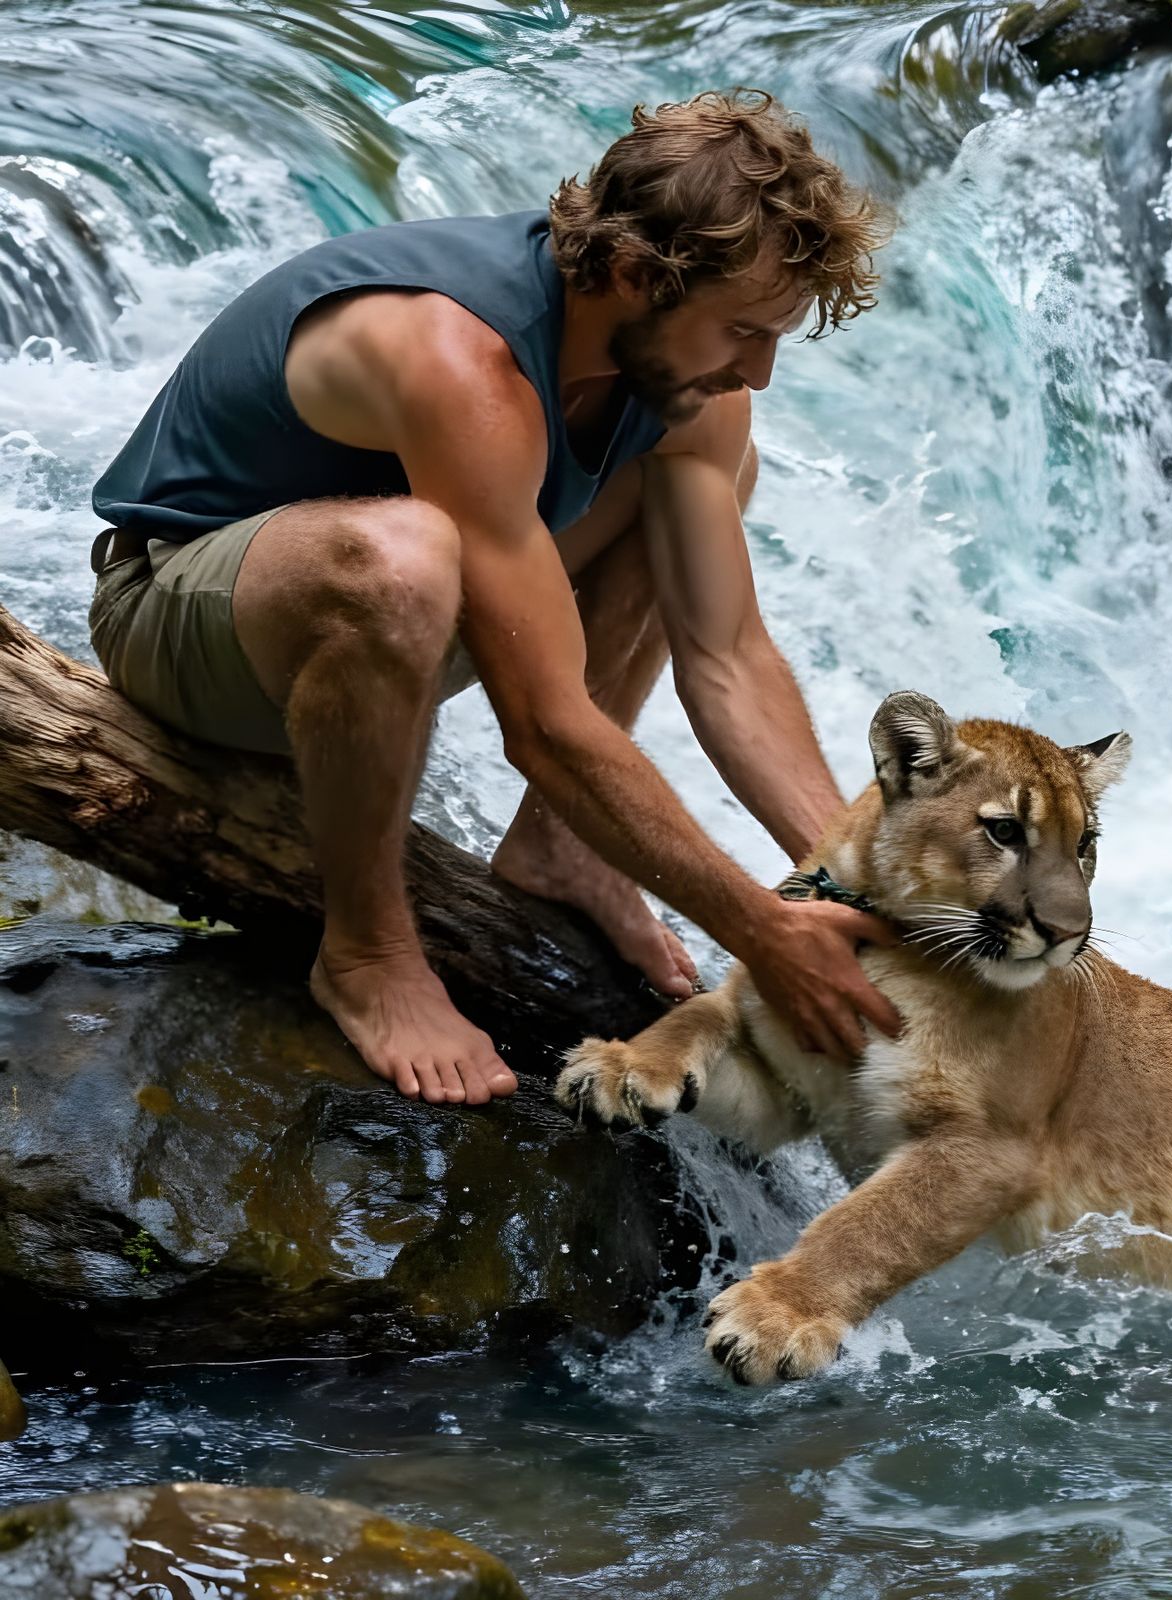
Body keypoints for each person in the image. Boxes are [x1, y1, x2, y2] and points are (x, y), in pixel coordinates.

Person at [86, 88, 902, 1107]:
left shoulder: (692, 386)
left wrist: (869, 888)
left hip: (396, 630)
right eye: (742, 329)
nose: (762, 372)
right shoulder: (458, 356)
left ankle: (559, 848)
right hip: (189, 611)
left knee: (695, 487)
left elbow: (728, 655)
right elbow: (544, 723)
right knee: (404, 561)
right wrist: (760, 929)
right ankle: (367, 950)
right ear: (632, 274)